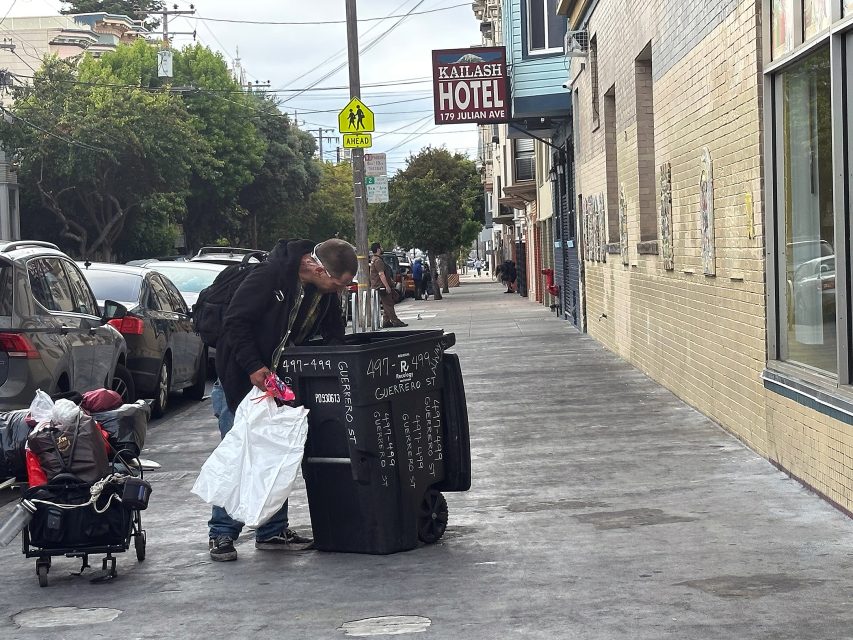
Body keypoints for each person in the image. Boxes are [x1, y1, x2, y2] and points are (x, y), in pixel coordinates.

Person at [208, 238, 357, 562]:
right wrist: (254, 368)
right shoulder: (270, 277)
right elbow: (235, 323)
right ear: (319, 268)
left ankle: (272, 531)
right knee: (242, 458)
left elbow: (333, 336)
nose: (340, 289)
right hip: (241, 380)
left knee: (276, 456)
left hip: (279, 383)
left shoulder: (324, 294)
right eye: (339, 282)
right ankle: (221, 532)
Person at [370, 242, 407, 328]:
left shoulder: (374, 259)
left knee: (391, 300)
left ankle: (386, 321)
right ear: (378, 249)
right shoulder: (378, 260)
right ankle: (395, 320)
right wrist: (387, 286)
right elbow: (381, 274)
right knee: (388, 303)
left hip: (378, 285)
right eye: (381, 247)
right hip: (381, 285)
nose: (382, 248)